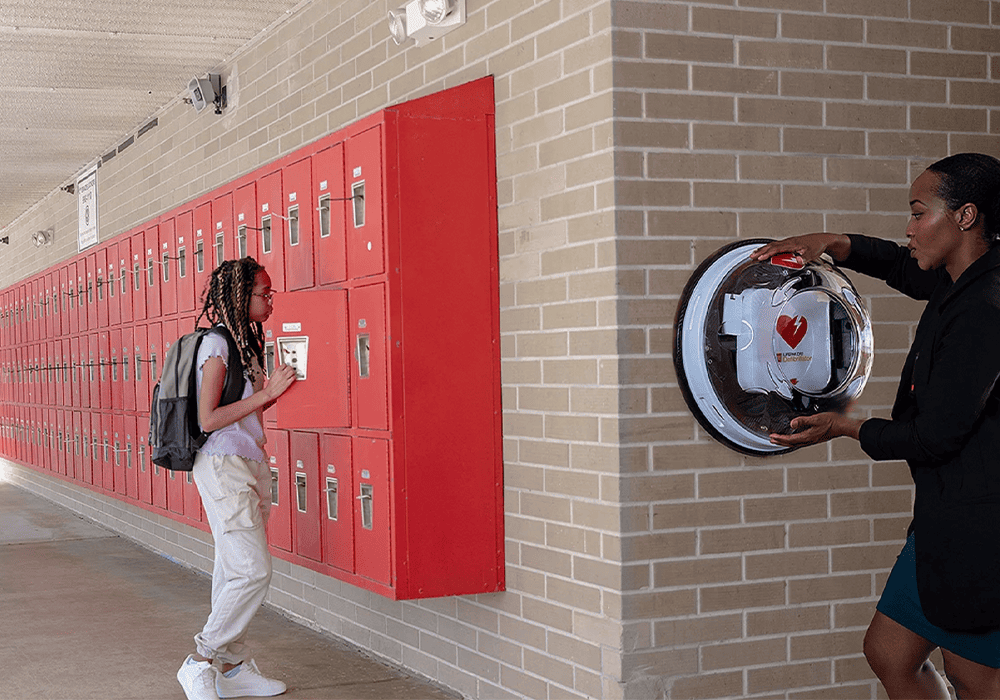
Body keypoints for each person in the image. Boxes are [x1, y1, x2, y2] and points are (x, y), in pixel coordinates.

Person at [751, 153, 1000, 698]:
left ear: (965, 217)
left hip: (982, 530)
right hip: (945, 515)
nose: (908, 229)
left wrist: (843, 428)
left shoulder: (985, 306)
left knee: (974, 676)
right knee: (888, 653)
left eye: (918, 213)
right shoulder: (964, 275)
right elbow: (907, 268)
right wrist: (836, 243)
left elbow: (935, 436)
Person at [176, 257, 297, 700]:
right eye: (264, 292)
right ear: (240, 296)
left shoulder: (249, 341)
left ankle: (231, 667)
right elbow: (208, 417)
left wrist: (276, 390)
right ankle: (201, 660)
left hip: (250, 464)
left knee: (231, 567)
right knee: (252, 569)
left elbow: (253, 412)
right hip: (223, 465)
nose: (270, 300)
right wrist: (266, 393)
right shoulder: (217, 345)